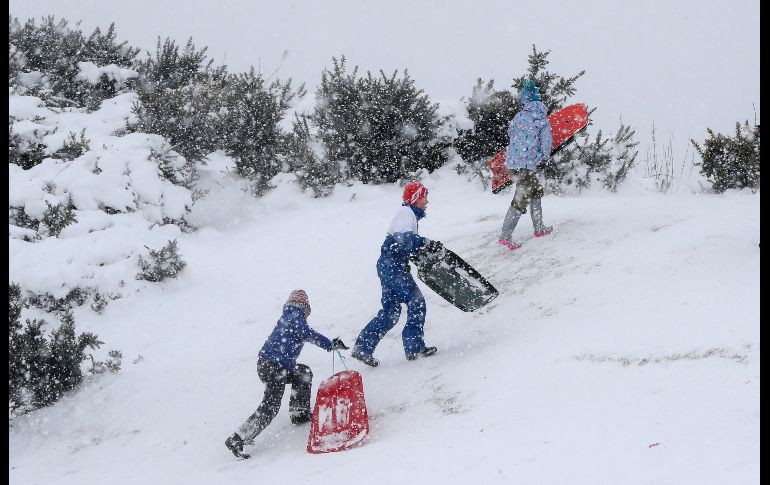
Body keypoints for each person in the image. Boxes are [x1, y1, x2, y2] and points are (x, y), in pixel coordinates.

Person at [224, 289, 348, 459]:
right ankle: (238, 438)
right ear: (305, 308)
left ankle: (299, 413)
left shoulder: (288, 316)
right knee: (270, 406)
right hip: (274, 367)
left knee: (302, 372)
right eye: (307, 312)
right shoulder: (295, 317)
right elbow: (308, 334)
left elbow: (303, 334)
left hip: (272, 365)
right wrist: (330, 344)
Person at [350, 182, 440, 367]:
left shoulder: (407, 216)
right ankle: (414, 347)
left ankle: (363, 348)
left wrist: (422, 250)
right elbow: (404, 239)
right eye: (424, 197)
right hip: (394, 268)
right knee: (416, 302)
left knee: (390, 312)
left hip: (387, 267)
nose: (427, 202)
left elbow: (403, 244)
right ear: (415, 198)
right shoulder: (405, 213)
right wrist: (426, 243)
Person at [499, 79, 554, 251]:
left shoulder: (519, 116)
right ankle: (505, 236)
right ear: (539, 100)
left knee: (535, 190)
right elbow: (546, 143)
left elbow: (511, 133)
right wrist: (543, 157)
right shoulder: (542, 119)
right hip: (527, 163)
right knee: (520, 198)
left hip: (514, 162)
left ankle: (539, 227)